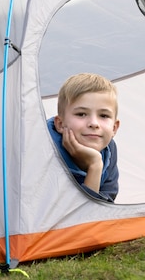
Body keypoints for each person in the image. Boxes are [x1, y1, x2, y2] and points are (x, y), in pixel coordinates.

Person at [47, 73, 120, 202]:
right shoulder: (44, 147)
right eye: (81, 114)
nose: (94, 123)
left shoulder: (109, 149)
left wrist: (95, 165)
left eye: (103, 116)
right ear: (60, 124)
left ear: (114, 128)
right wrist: (95, 164)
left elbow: (101, 210)